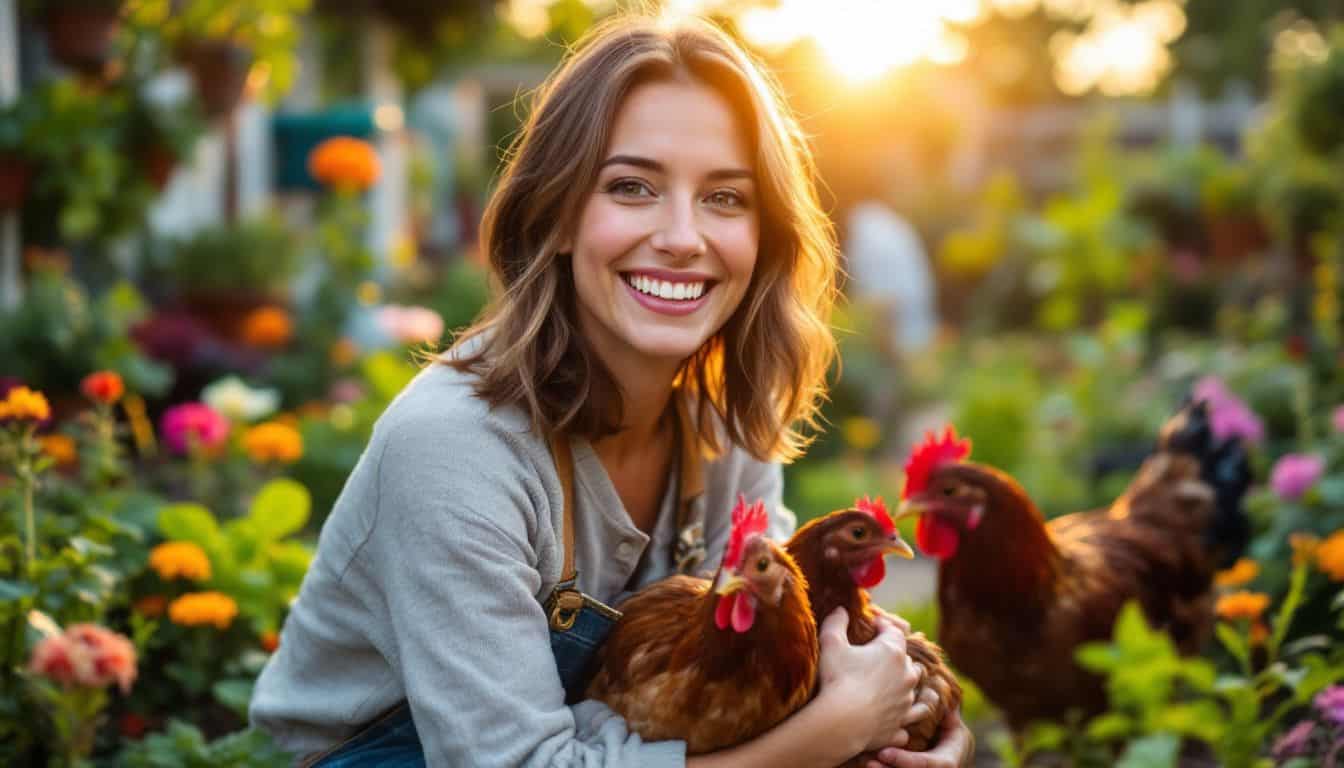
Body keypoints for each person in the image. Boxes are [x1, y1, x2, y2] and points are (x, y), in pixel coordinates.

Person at [250, 14, 974, 768]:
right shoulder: (454, 449)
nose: (683, 236)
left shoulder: (722, 429)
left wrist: (917, 721)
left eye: (725, 198)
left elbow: (771, 683)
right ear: (558, 215)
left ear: (764, 240)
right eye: (632, 187)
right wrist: (833, 735)